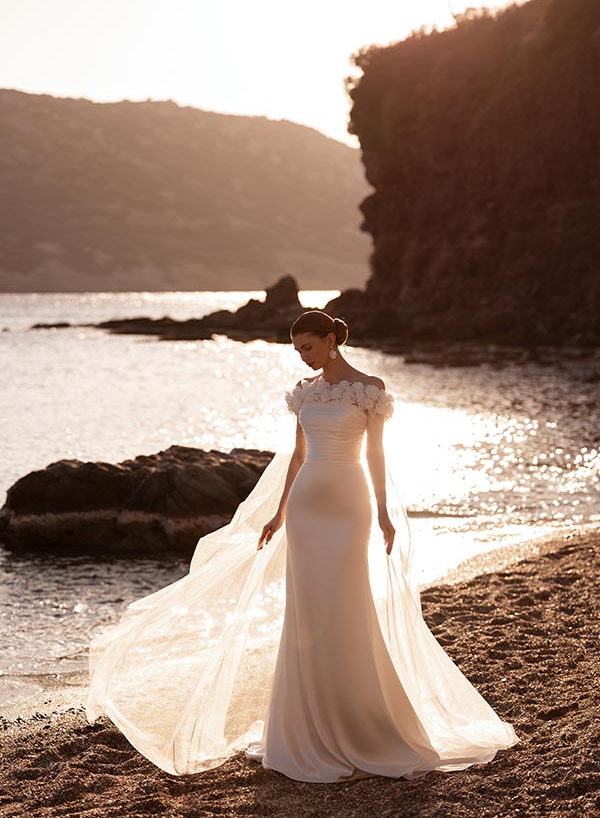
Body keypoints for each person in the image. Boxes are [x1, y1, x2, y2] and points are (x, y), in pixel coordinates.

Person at [86, 310, 519, 782]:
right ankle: (305, 723)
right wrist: (279, 514)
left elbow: (376, 454)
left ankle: (361, 717)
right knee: (307, 609)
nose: (303, 357)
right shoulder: (304, 392)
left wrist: (383, 512)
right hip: (307, 505)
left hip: (349, 502)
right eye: (297, 350)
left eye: (308, 347)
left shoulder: (370, 389)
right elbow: (297, 455)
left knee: (347, 602)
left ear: (331, 340)